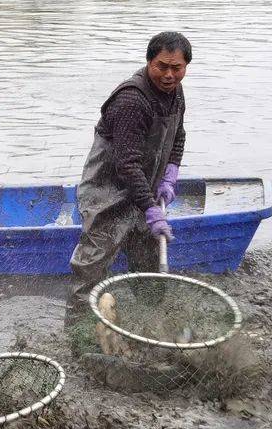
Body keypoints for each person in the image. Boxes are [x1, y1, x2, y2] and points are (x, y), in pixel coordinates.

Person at [67, 31, 190, 324]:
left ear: (185, 67)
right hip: (107, 194)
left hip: (143, 192)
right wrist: (151, 209)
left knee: (147, 266)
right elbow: (126, 164)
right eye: (162, 66)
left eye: (177, 68)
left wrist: (170, 175)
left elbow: (178, 137)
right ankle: (77, 333)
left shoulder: (175, 93)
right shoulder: (132, 100)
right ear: (149, 62)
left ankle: (149, 321)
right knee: (91, 269)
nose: (169, 75)